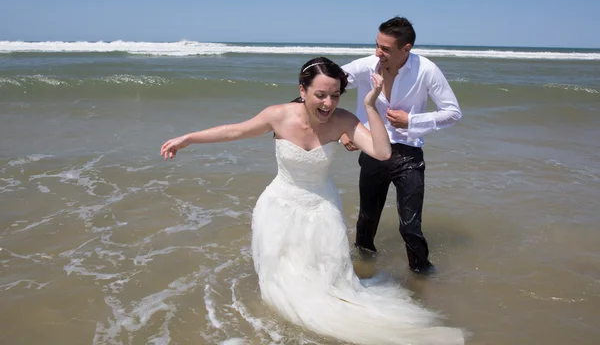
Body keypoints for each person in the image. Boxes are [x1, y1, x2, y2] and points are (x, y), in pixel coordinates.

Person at [160, 57, 464, 345]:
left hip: (322, 208)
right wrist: (188, 139)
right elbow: (234, 132)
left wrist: (371, 105)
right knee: (284, 287)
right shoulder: (278, 115)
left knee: (331, 286)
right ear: (302, 90)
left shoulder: (343, 120)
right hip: (279, 207)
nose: (328, 104)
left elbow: (383, 152)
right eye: (320, 95)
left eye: (335, 96)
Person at [340, 17, 462, 275]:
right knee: (367, 220)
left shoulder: (426, 70)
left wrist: (412, 120)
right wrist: (344, 130)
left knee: (410, 226)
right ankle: (362, 272)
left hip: (408, 153)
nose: (377, 53)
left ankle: (422, 277)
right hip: (373, 149)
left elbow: (452, 112)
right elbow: (328, 84)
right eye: (376, 45)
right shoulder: (366, 65)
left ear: (406, 48)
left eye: (385, 49)